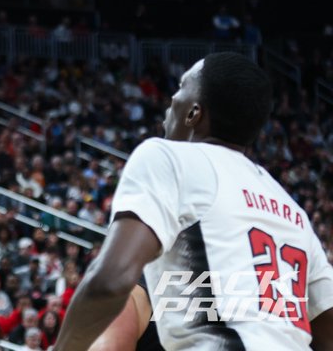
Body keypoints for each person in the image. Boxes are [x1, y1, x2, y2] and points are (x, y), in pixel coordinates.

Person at [57, 53, 333, 349]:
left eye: (179, 88)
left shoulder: (168, 157)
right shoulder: (293, 211)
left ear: (193, 114)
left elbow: (109, 283)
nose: (171, 100)